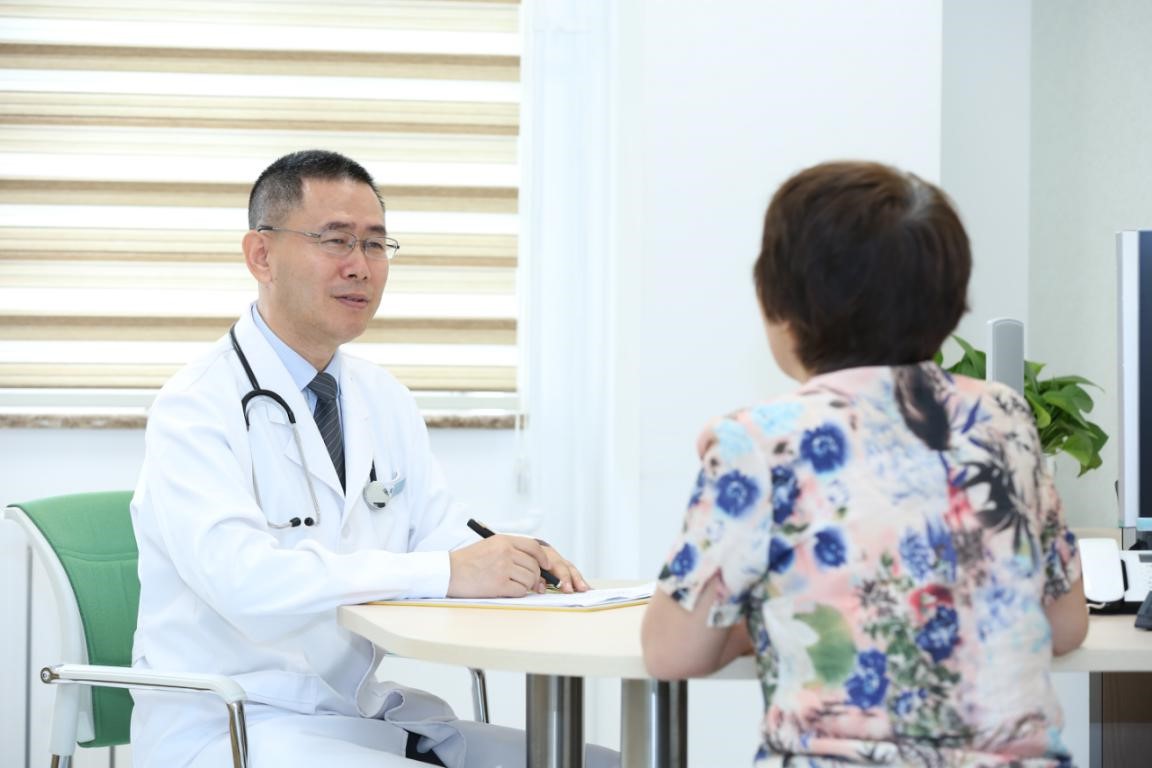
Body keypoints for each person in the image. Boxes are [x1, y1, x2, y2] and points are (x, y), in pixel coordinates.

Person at [130, 149, 617, 767]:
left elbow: (435, 533)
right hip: (232, 722)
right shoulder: (195, 406)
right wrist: (445, 572)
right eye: (336, 240)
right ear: (261, 256)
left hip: (355, 716)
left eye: (375, 245)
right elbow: (245, 581)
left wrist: (510, 558)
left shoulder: (383, 398)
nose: (360, 266)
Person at [641, 160, 1088, 767]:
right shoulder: (1003, 417)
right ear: (950, 302)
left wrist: (761, 626)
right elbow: (1065, 625)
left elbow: (672, 653)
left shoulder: (758, 442)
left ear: (778, 303)